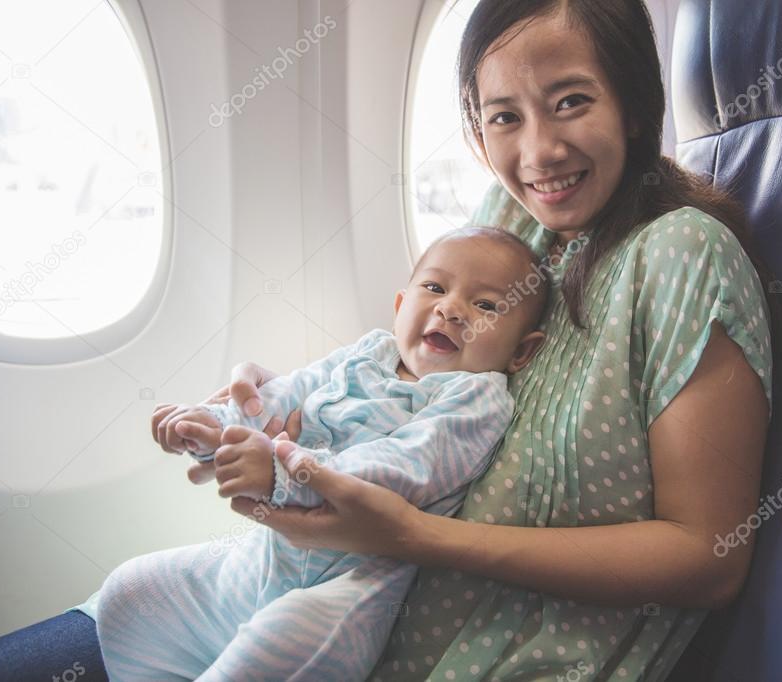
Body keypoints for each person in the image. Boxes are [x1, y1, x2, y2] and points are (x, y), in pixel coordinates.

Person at [0, 1, 775, 680]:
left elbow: (708, 556)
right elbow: (405, 376)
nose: (539, 152)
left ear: (632, 104)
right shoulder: (512, 223)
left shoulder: (681, 254)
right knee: (103, 609)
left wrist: (412, 536)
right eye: (503, 116)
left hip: (479, 649)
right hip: (300, 587)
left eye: (570, 102)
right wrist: (289, 402)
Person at [83, 228, 551, 681]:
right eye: (434, 287)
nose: (450, 308)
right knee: (129, 593)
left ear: (521, 353)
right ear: (400, 305)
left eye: (486, 305)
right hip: (261, 561)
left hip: (345, 586)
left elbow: (408, 466)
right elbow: (284, 396)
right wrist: (212, 427)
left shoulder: (477, 396)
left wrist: (286, 474)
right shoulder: (370, 351)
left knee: (284, 645)